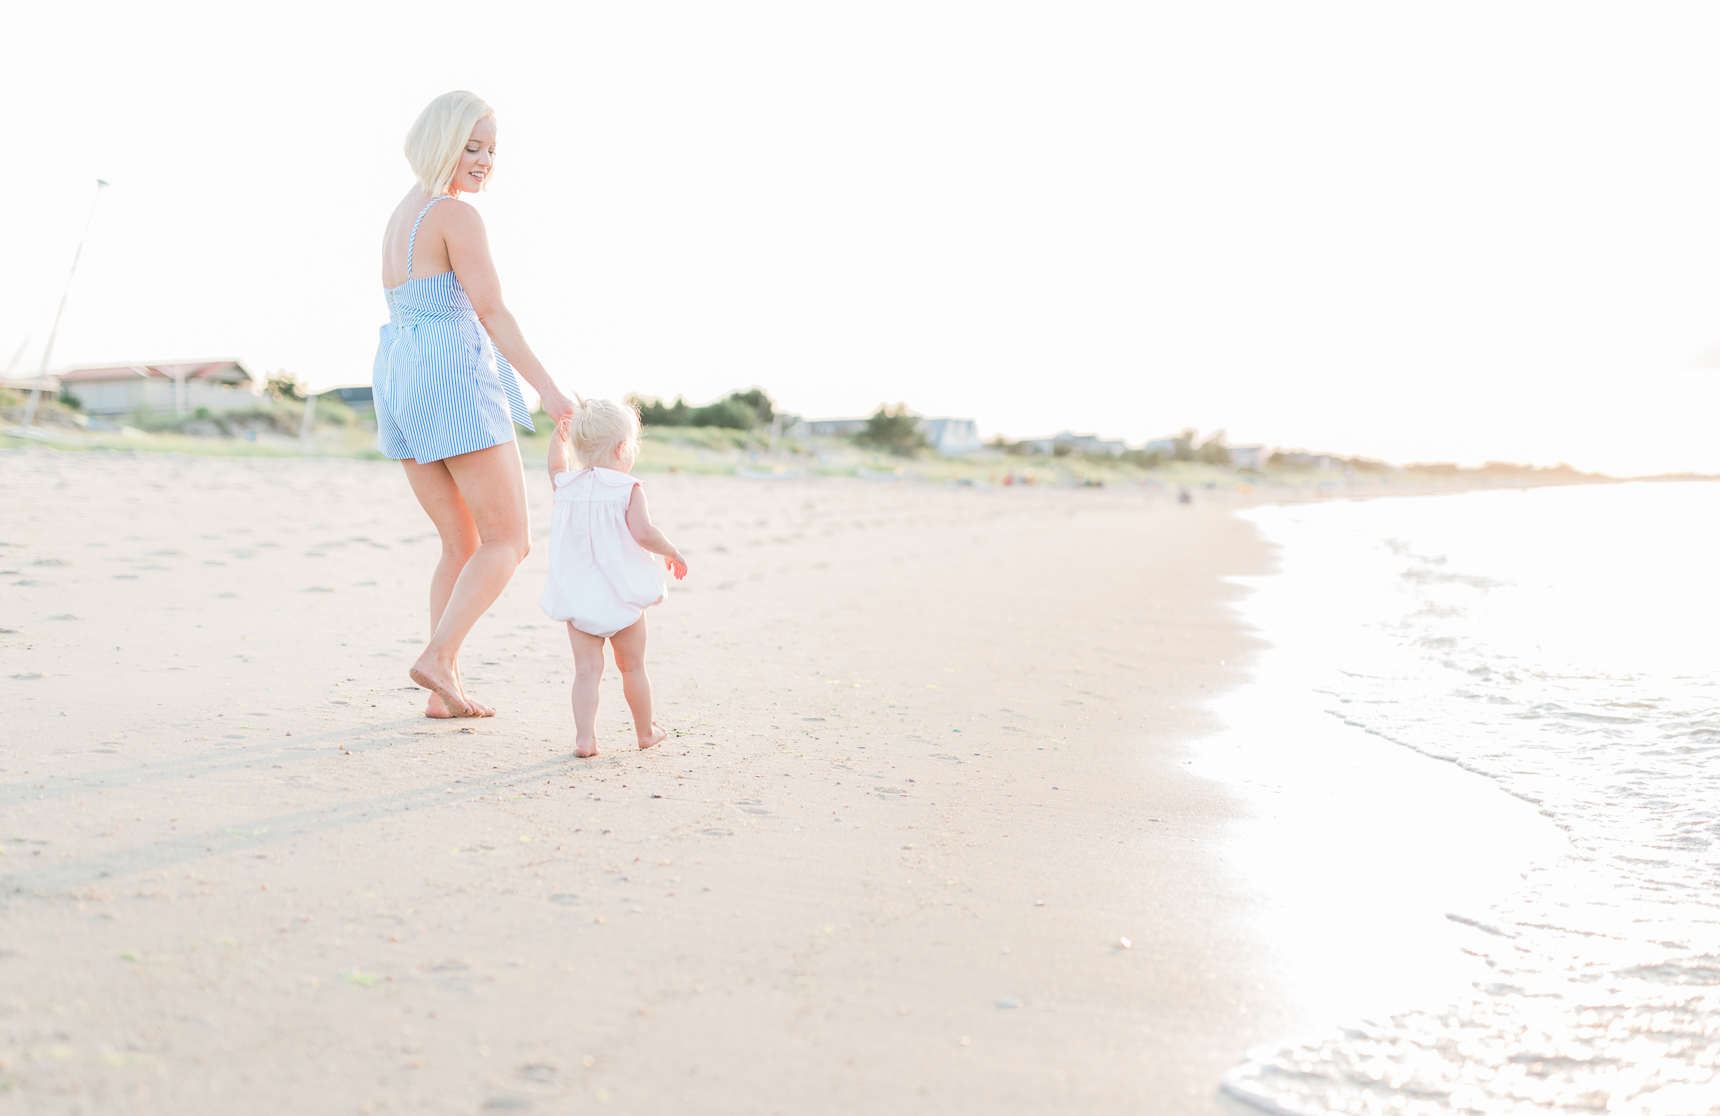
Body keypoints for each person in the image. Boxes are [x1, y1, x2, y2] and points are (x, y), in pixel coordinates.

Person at [374, 91, 575, 719]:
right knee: (509, 540)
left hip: (399, 378)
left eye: (492, 149)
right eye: (473, 146)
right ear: (442, 143)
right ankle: (438, 657)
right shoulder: (455, 216)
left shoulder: (402, 214)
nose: (485, 160)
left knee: (459, 544)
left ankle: (445, 691)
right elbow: (491, 312)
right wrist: (547, 387)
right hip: (451, 376)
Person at [540, 399, 689, 758]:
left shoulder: (566, 485)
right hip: (623, 599)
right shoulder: (627, 488)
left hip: (579, 600)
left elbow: (555, 464)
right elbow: (644, 533)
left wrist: (559, 434)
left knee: (587, 672)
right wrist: (671, 550)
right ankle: (645, 731)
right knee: (633, 667)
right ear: (623, 447)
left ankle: (585, 739)